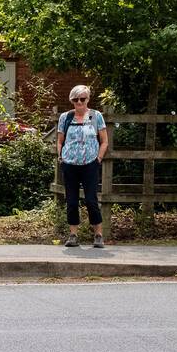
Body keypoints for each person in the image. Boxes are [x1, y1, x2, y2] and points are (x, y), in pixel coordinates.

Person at [56, 84, 108, 248]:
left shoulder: (95, 116)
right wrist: (60, 156)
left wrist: (98, 158)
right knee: (71, 201)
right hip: (70, 164)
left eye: (82, 99)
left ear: (88, 99)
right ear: (72, 100)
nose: (79, 102)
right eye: (76, 99)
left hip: (89, 164)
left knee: (91, 200)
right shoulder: (65, 117)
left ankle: (98, 235)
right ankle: (73, 235)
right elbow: (59, 140)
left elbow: (104, 141)